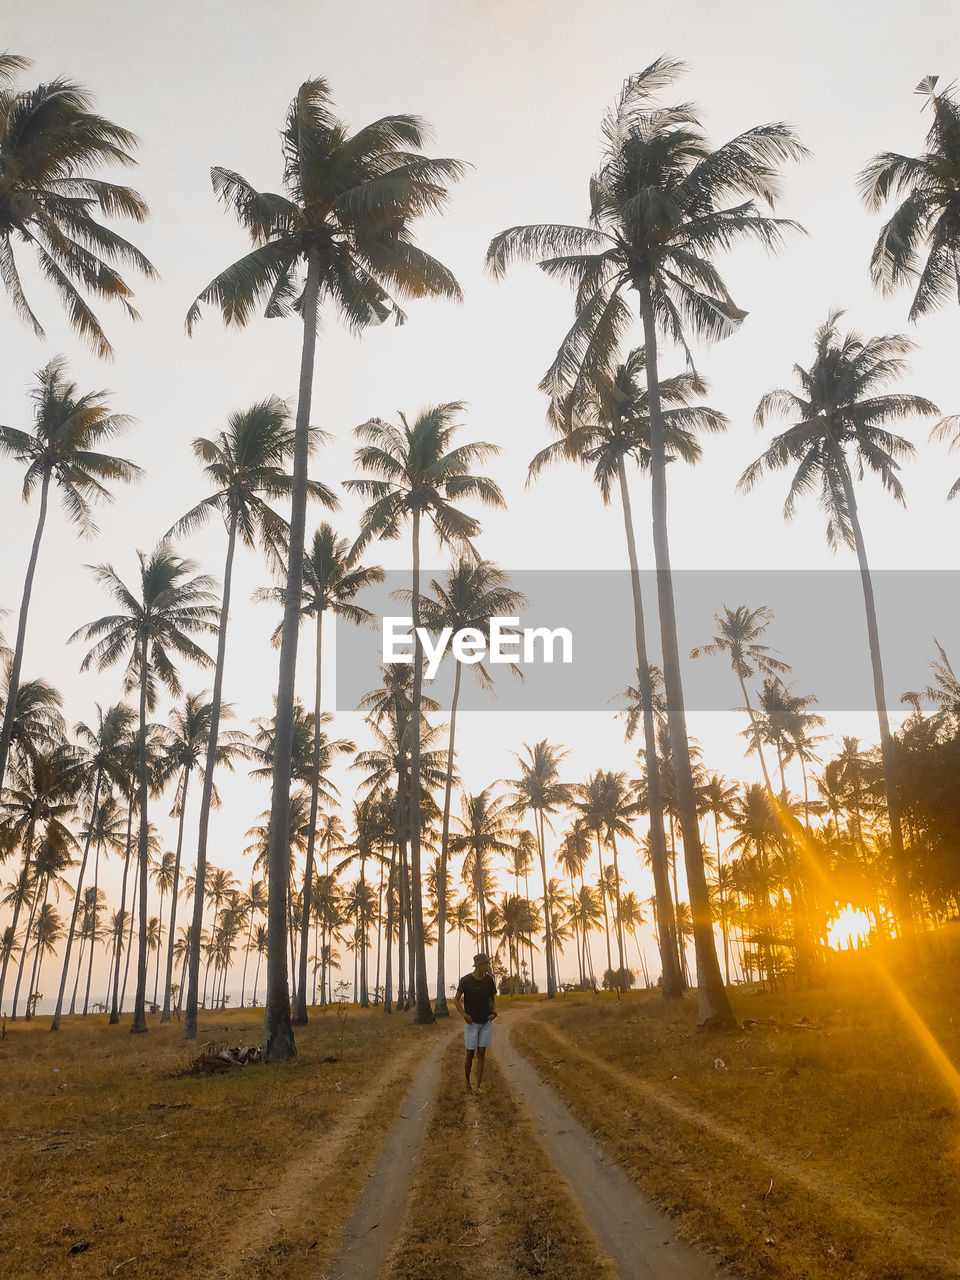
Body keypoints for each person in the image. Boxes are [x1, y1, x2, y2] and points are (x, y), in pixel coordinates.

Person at [455, 952, 497, 1093]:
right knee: (470, 1053)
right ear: (479, 966)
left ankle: (478, 1085)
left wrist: (494, 1013)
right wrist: (464, 1014)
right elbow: (456, 1000)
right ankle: (467, 1083)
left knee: (482, 1054)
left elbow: (492, 998)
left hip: (486, 1022)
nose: (488, 966)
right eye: (486, 964)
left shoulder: (489, 981)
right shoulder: (466, 980)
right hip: (471, 1023)